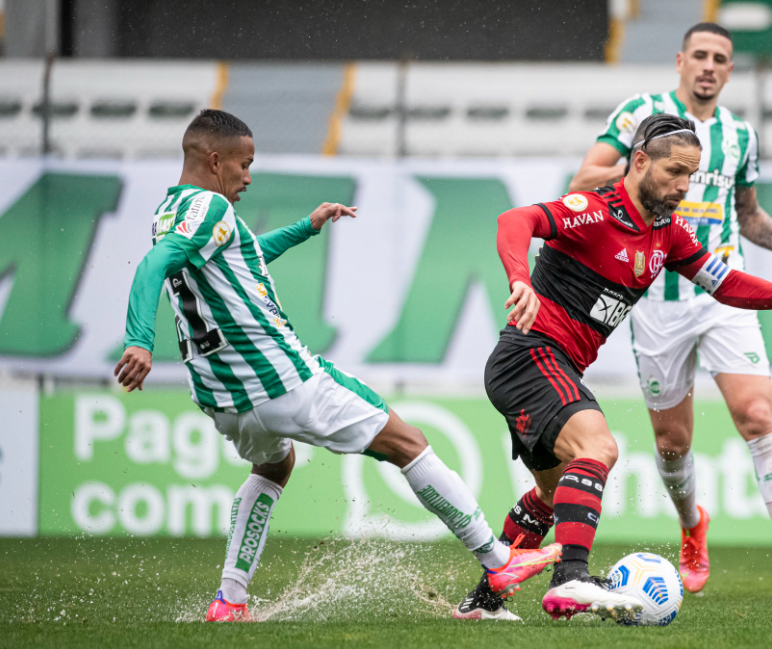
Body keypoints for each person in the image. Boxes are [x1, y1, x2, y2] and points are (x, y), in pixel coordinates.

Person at [114, 109, 561, 623]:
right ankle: (498, 560)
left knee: (273, 465)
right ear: (215, 160)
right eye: (244, 163)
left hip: (222, 396)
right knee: (408, 443)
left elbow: (242, 258)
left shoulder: (168, 211)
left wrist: (306, 227)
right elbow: (154, 266)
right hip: (278, 375)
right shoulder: (211, 206)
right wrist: (139, 341)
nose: (248, 176)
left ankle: (229, 602)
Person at [454, 113, 772, 622]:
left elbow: (726, 283)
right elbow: (515, 220)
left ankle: (485, 601)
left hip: (547, 366)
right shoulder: (595, 210)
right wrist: (520, 279)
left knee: (554, 495)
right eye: (674, 173)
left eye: (691, 176)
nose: (684, 187)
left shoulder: (668, 234)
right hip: (530, 355)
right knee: (598, 447)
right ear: (640, 161)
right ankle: (572, 579)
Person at [568, 22, 772, 596]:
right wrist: (645, 168)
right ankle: (692, 524)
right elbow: (584, 178)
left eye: (720, 58)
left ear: (729, 69)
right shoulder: (640, 113)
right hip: (654, 302)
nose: (709, 66)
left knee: (757, 415)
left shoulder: (740, 135)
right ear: (680, 60)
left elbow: (746, 216)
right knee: (673, 443)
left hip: (722, 294)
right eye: (700, 55)